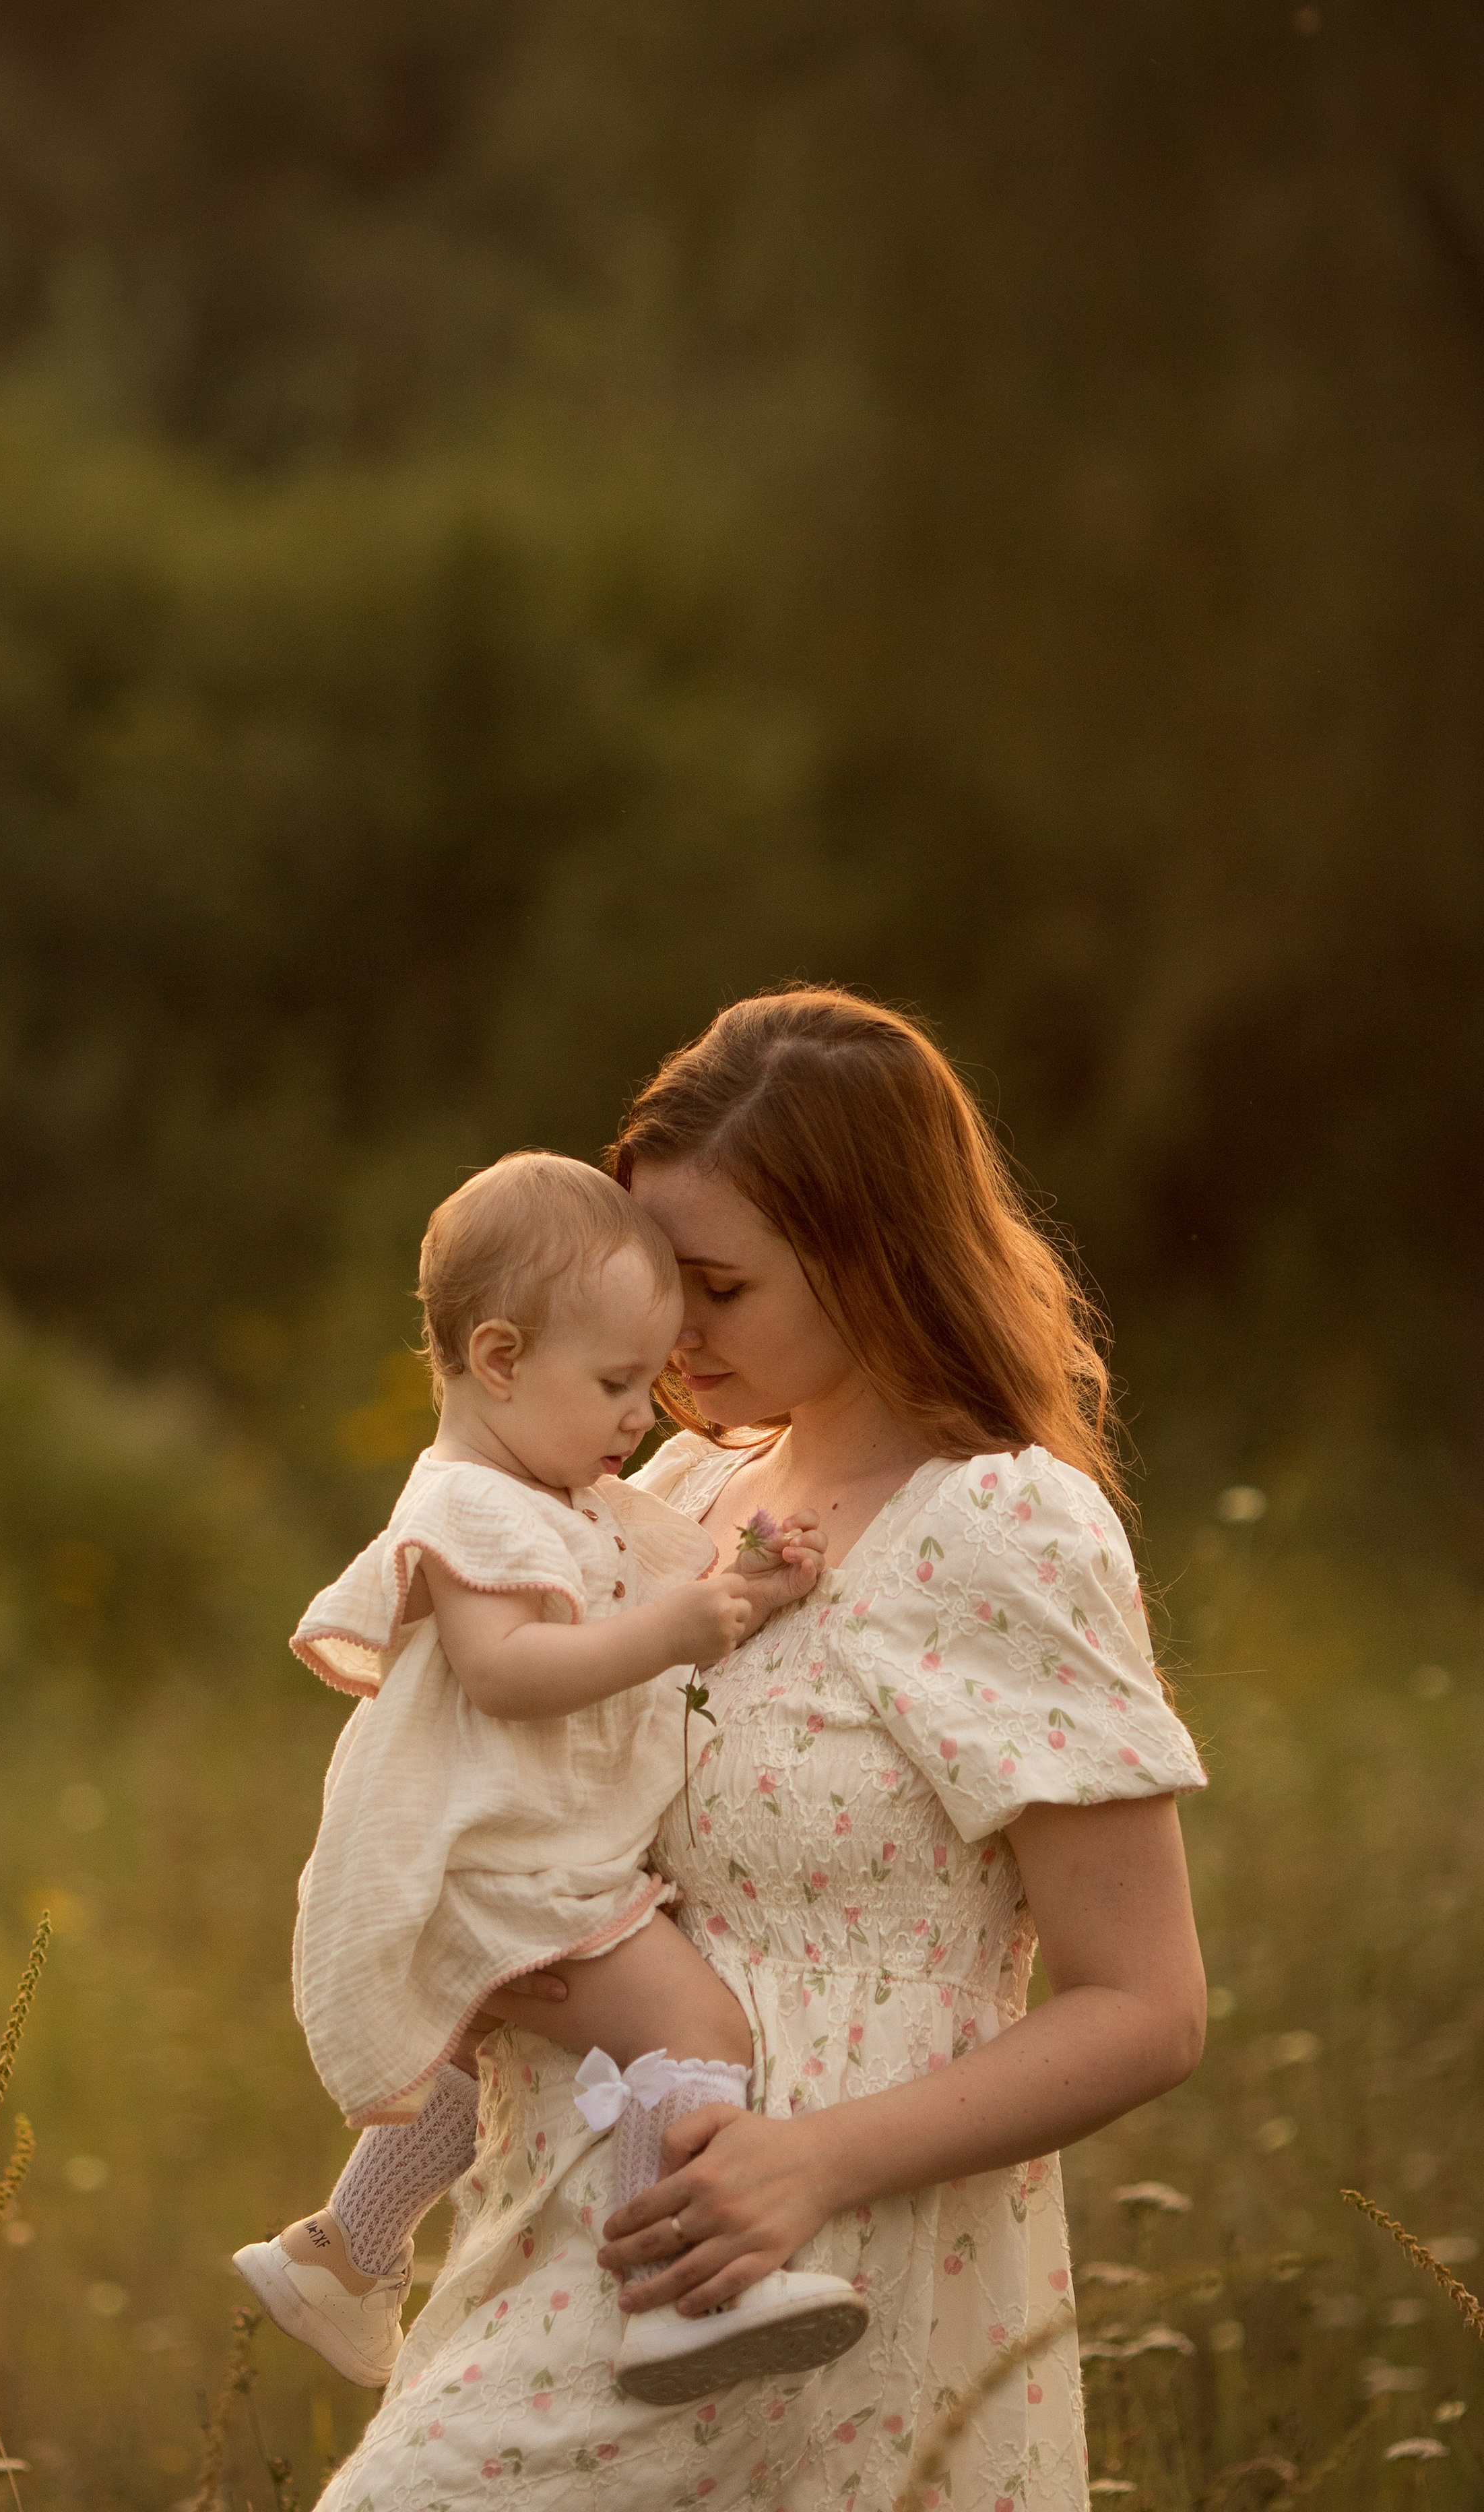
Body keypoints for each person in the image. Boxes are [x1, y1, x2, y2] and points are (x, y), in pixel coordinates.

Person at [313, 988, 1208, 2512]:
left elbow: (1145, 2007)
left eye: (716, 1287)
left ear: (868, 1257)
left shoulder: (994, 1526)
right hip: (563, 2234)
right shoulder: (673, 1495)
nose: (666, 1334)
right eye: (654, 1284)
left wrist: (814, 2163)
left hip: (804, 2284)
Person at [235, 1151, 868, 2400]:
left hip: (512, 1861)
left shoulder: (547, 1487)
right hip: (509, 1875)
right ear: (502, 1359)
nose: (647, 1414)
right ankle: (675, 2294)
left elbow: (647, 1572)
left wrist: (743, 1570)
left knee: (480, 2069)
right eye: (619, 1381)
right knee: (695, 2029)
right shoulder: (470, 1506)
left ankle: (346, 2257)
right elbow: (510, 1668)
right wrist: (687, 1630)